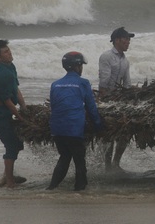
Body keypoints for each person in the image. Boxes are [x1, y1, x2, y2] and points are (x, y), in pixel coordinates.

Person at [46, 51, 103, 191]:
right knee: (79, 160)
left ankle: (51, 188)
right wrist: (98, 125)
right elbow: (91, 107)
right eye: (81, 65)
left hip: (57, 129)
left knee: (64, 157)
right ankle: (79, 190)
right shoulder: (83, 83)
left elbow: (55, 107)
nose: (82, 68)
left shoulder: (55, 84)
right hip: (73, 129)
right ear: (77, 66)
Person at [0, 39, 27, 188]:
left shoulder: (11, 67)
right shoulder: (1, 74)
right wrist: (19, 115)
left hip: (4, 111)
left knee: (16, 143)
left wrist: (24, 106)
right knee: (11, 144)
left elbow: (16, 89)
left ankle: (7, 175)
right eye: (5, 52)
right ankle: (9, 181)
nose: (9, 53)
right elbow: (7, 101)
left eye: (9, 50)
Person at [98, 26, 135, 172]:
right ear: (117, 40)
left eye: (129, 39)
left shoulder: (125, 61)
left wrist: (131, 97)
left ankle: (116, 163)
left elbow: (127, 83)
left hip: (120, 100)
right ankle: (107, 165)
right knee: (109, 134)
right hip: (107, 99)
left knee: (124, 132)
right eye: (126, 39)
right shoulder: (106, 56)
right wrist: (103, 102)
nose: (128, 42)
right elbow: (103, 81)